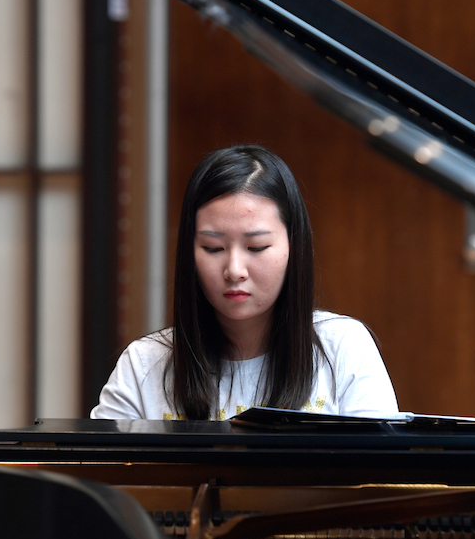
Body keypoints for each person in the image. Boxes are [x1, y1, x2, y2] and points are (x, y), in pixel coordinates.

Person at [93, 145, 397, 420]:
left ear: (293, 246)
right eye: (213, 248)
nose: (234, 270)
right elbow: (103, 475)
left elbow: (378, 474)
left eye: (257, 248)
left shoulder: (342, 348)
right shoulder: (145, 363)